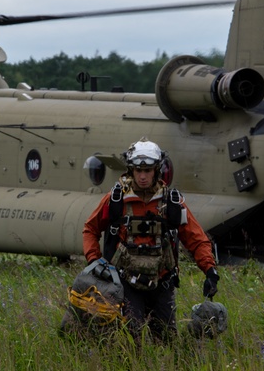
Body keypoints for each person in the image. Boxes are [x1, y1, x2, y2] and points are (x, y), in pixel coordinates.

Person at [82, 138, 219, 341]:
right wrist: (95, 261)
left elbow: (196, 238)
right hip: (126, 284)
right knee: (132, 338)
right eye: (139, 171)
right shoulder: (116, 199)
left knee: (166, 340)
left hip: (162, 283)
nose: (143, 176)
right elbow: (90, 229)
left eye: (148, 171)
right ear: (131, 170)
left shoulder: (171, 202)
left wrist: (210, 270)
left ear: (157, 170)